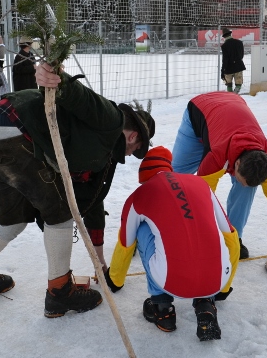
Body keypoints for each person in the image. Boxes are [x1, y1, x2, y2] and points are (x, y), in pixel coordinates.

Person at [0, 62, 156, 320]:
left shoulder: (101, 150)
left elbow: (94, 201)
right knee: (60, 212)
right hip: (15, 127)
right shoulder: (111, 119)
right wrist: (54, 75)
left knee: (12, 220)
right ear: (133, 137)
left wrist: (99, 262)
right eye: (136, 150)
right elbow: (77, 95)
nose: (129, 156)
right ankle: (60, 293)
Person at [103, 146, 240, 341]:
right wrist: (223, 288)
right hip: (216, 279)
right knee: (200, 226)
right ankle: (206, 304)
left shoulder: (140, 195)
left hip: (170, 279)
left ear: (144, 176)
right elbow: (231, 237)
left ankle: (162, 308)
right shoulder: (201, 184)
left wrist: (114, 281)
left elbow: (126, 242)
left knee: (142, 229)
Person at [171, 91, 267, 261]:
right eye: (241, 179)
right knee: (175, 176)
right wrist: (204, 240)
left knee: (247, 188)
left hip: (231, 108)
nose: (243, 185)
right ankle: (162, 223)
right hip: (200, 109)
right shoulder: (216, 157)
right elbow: (202, 199)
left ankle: (234, 237)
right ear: (236, 164)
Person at [220, 28, 246, 94]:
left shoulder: (224, 46)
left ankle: (231, 96)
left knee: (229, 84)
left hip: (228, 68)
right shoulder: (239, 43)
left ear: (224, 37)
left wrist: (223, 70)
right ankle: (235, 94)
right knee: (239, 83)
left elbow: (225, 59)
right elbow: (241, 55)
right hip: (238, 66)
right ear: (230, 34)